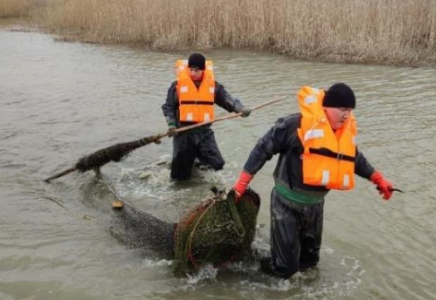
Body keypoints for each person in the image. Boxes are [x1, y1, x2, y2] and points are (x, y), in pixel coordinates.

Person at [232, 83, 396, 279]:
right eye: (342, 109)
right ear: (327, 107)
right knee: (284, 269)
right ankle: (254, 269)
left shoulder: (342, 134)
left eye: (350, 111)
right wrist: (242, 184)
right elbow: (263, 148)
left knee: (309, 265)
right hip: (286, 204)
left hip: (315, 207)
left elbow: (355, 159)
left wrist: (378, 179)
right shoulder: (294, 125)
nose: (346, 115)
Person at [162, 53, 251, 180]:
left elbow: (228, 100)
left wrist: (240, 109)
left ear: (203, 70)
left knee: (217, 165)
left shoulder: (213, 86)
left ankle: (198, 164)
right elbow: (168, 107)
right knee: (179, 177)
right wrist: (171, 124)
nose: (193, 73)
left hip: (204, 132)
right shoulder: (177, 86)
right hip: (183, 133)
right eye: (191, 70)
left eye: (196, 70)